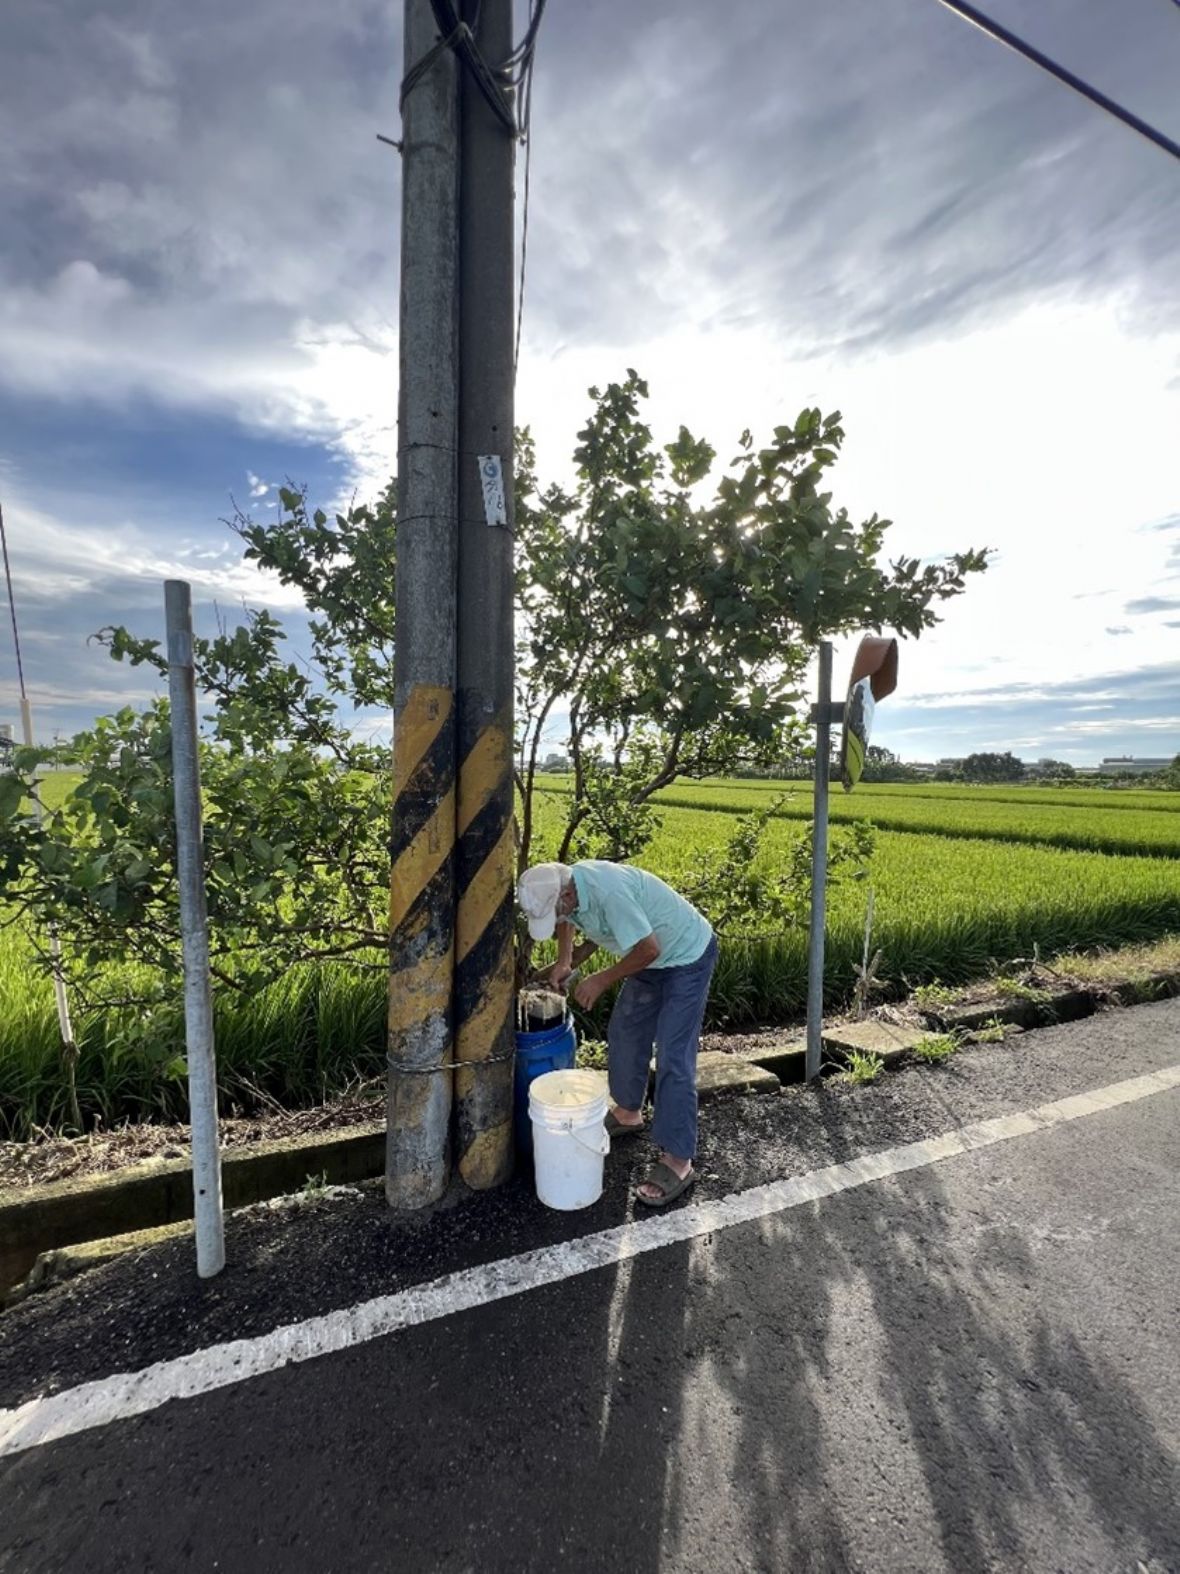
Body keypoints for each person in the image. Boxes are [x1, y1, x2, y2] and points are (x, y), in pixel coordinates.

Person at [517, 859, 718, 1207]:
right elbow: (568, 919)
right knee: (625, 1031)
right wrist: (567, 960)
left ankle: (680, 1160)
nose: (557, 920)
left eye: (555, 912)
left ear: (566, 892)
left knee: (673, 1054)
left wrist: (602, 979)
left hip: (685, 956)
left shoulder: (608, 893)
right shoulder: (569, 889)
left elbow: (649, 948)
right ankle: (628, 1112)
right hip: (652, 957)